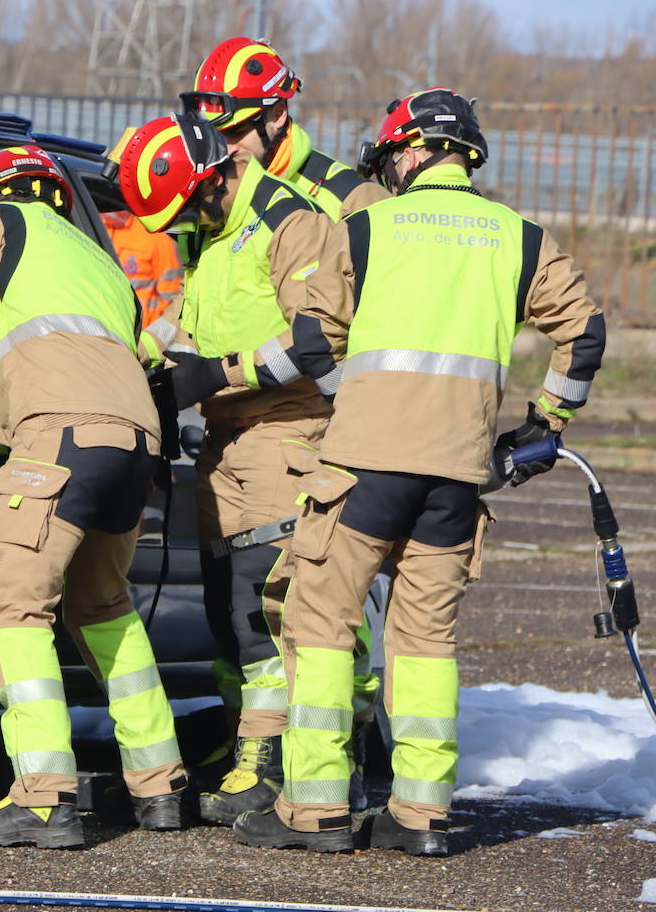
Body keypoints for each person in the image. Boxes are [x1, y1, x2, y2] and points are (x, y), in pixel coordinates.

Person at [232, 88, 606, 855]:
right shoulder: (519, 237)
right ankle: (422, 814)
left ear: (406, 153)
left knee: (321, 626)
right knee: (424, 640)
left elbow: (311, 337)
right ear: (466, 155)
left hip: (363, 470)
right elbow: (586, 329)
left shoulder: (366, 227)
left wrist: (353, 401)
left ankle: (314, 811)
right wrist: (545, 425)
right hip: (457, 477)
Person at [174, 37, 391, 824]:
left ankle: (350, 753)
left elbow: (357, 326)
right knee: (239, 610)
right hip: (240, 423)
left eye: (232, 130)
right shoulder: (219, 195)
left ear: (275, 116)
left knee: (313, 611)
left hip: (325, 427)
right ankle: (256, 748)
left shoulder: (341, 197)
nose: (219, 146)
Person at [0, 145, 185, 849]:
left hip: (57, 443)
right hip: (134, 445)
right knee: (103, 607)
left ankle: (44, 797)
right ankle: (160, 783)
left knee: (12, 611)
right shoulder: (98, 261)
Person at [117, 112, 337, 825]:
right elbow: (187, 319)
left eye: (184, 207)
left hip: (285, 433)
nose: (181, 222)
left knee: (263, 605)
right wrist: (134, 359)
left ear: (211, 177)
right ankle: (248, 742)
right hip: (224, 440)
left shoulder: (289, 221)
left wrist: (216, 373)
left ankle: (270, 761)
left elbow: (313, 341)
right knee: (222, 605)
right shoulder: (214, 234)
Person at [181, 37, 386, 220]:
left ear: (278, 115)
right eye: (214, 133)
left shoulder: (351, 199)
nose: (225, 148)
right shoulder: (201, 189)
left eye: (237, 132)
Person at [102, 209, 182, 327]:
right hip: (103, 329)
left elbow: (172, 297)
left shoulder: (154, 234)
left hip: (143, 334)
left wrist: (155, 336)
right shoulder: (89, 226)